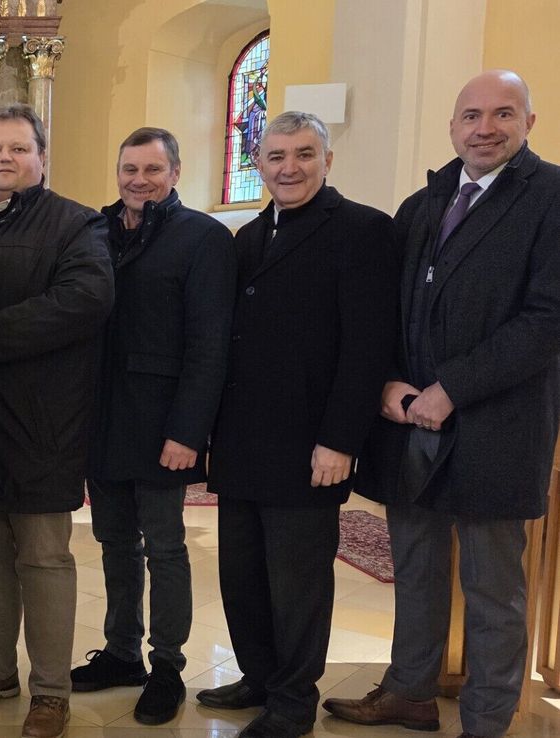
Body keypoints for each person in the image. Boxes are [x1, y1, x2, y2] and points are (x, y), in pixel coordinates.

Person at [324, 69, 560, 738]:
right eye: (472, 115)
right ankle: (410, 691)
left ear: (528, 124)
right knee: (418, 571)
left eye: (503, 114)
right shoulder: (424, 203)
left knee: (492, 590)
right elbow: (388, 307)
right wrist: (390, 381)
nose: (485, 127)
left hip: (498, 425)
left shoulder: (551, 197)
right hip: (412, 424)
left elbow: (548, 319)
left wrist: (451, 388)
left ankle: (486, 720)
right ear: (453, 126)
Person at [196, 111, 400, 738]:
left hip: (310, 445)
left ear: (327, 160)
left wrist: (339, 440)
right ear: (259, 163)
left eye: (304, 154)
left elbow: (368, 348)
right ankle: (258, 675)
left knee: (298, 585)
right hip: (241, 442)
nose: (289, 167)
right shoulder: (250, 236)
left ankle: (292, 700)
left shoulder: (364, 231)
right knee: (243, 574)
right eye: (276, 155)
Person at [0, 104, 114, 738]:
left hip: (46, 420)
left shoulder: (76, 223)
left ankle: (50, 690)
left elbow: (86, 300)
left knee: (44, 556)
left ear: (41, 158)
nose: (4, 159)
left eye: (18, 148)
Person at [75, 128, 235, 725]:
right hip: (104, 418)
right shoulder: (97, 230)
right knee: (114, 541)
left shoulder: (203, 238)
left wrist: (189, 432)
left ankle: (166, 665)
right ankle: (121, 653)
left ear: (175, 172)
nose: (139, 180)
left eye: (152, 169)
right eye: (129, 169)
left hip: (165, 423)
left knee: (165, 548)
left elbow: (210, 344)